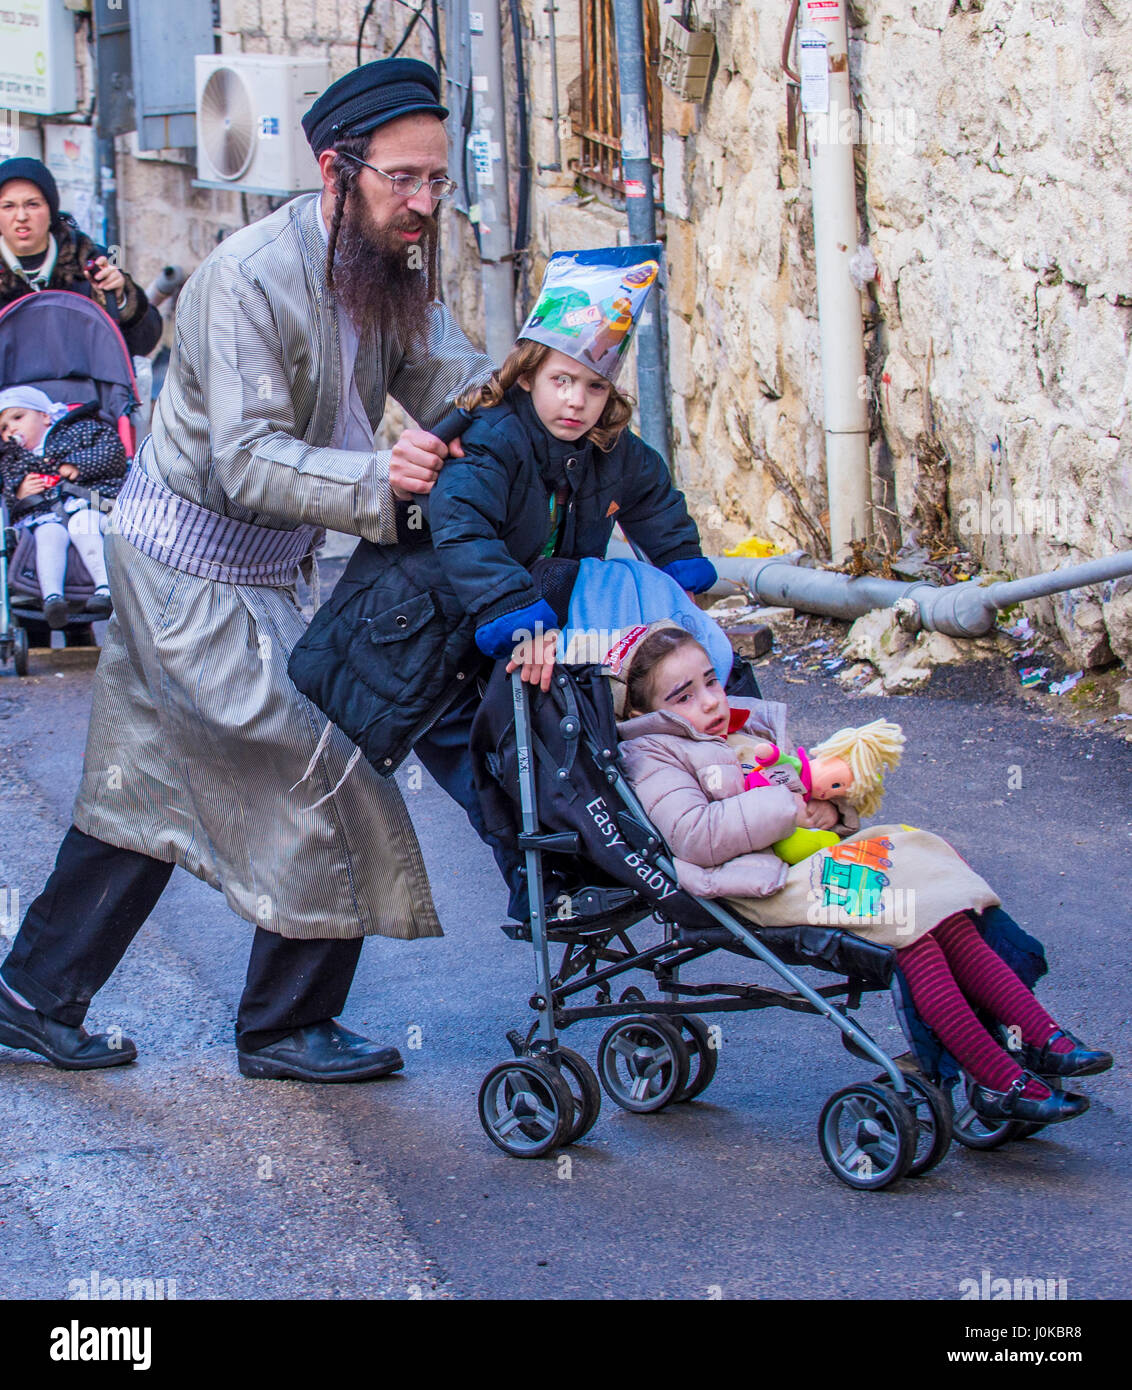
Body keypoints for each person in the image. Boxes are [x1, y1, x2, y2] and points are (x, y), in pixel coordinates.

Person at [0, 58, 497, 1083]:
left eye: (437, 182)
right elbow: (247, 457)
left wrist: (546, 380)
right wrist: (380, 479)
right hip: (185, 570)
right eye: (405, 179)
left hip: (257, 567)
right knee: (325, 765)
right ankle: (282, 1025)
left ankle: (28, 994)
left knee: (141, 792)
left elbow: (452, 373)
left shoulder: (386, 264)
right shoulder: (249, 275)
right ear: (335, 168)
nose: (424, 204)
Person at [288, 245, 716, 915]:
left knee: (552, 756)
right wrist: (521, 616)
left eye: (594, 386)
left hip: (505, 634)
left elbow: (651, 495)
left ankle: (580, 877)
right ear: (527, 376)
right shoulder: (495, 438)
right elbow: (460, 522)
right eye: (561, 381)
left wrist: (680, 570)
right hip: (418, 642)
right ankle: (539, 892)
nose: (576, 401)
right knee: (493, 776)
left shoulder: (607, 450)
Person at [615, 623, 1113, 1127]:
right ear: (642, 712)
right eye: (684, 696)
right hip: (755, 882)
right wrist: (788, 804)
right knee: (906, 925)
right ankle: (994, 1078)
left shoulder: (746, 728)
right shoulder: (654, 754)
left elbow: (816, 785)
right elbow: (693, 835)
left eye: (711, 682)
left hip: (812, 861)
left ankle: (1040, 1037)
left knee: (937, 893)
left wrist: (832, 811)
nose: (709, 702)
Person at [0, 158, 161, 357]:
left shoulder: (90, 263)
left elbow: (142, 344)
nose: (21, 216)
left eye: (32, 204)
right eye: (8, 206)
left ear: (51, 209)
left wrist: (120, 300)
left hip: (84, 385)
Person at [0, 384, 125, 624]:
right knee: (47, 534)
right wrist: (20, 490)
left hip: (91, 504)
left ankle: (105, 588)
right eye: (3, 428)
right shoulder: (14, 459)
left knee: (82, 523)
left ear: (45, 416)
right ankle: (52, 599)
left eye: (17, 417)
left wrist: (76, 465)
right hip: (47, 515)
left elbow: (112, 451)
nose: (11, 429)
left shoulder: (78, 430)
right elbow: (9, 496)